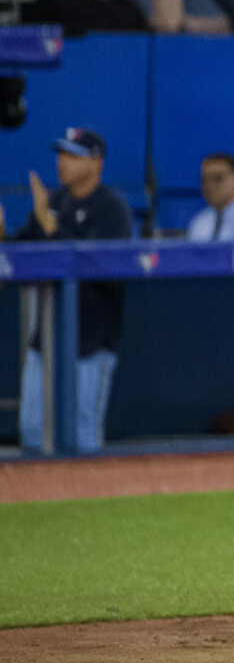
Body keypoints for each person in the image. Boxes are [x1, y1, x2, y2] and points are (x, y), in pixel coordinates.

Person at [9, 128, 132, 454]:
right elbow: (20, 257)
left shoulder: (111, 209)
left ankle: (93, 502)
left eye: (72, 156)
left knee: (82, 437)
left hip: (90, 340)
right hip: (45, 339)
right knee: (32, 431)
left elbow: (94, 265)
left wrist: (49, 225)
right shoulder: (53, 201)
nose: (62, 163)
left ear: (96, 163)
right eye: (60, 155)